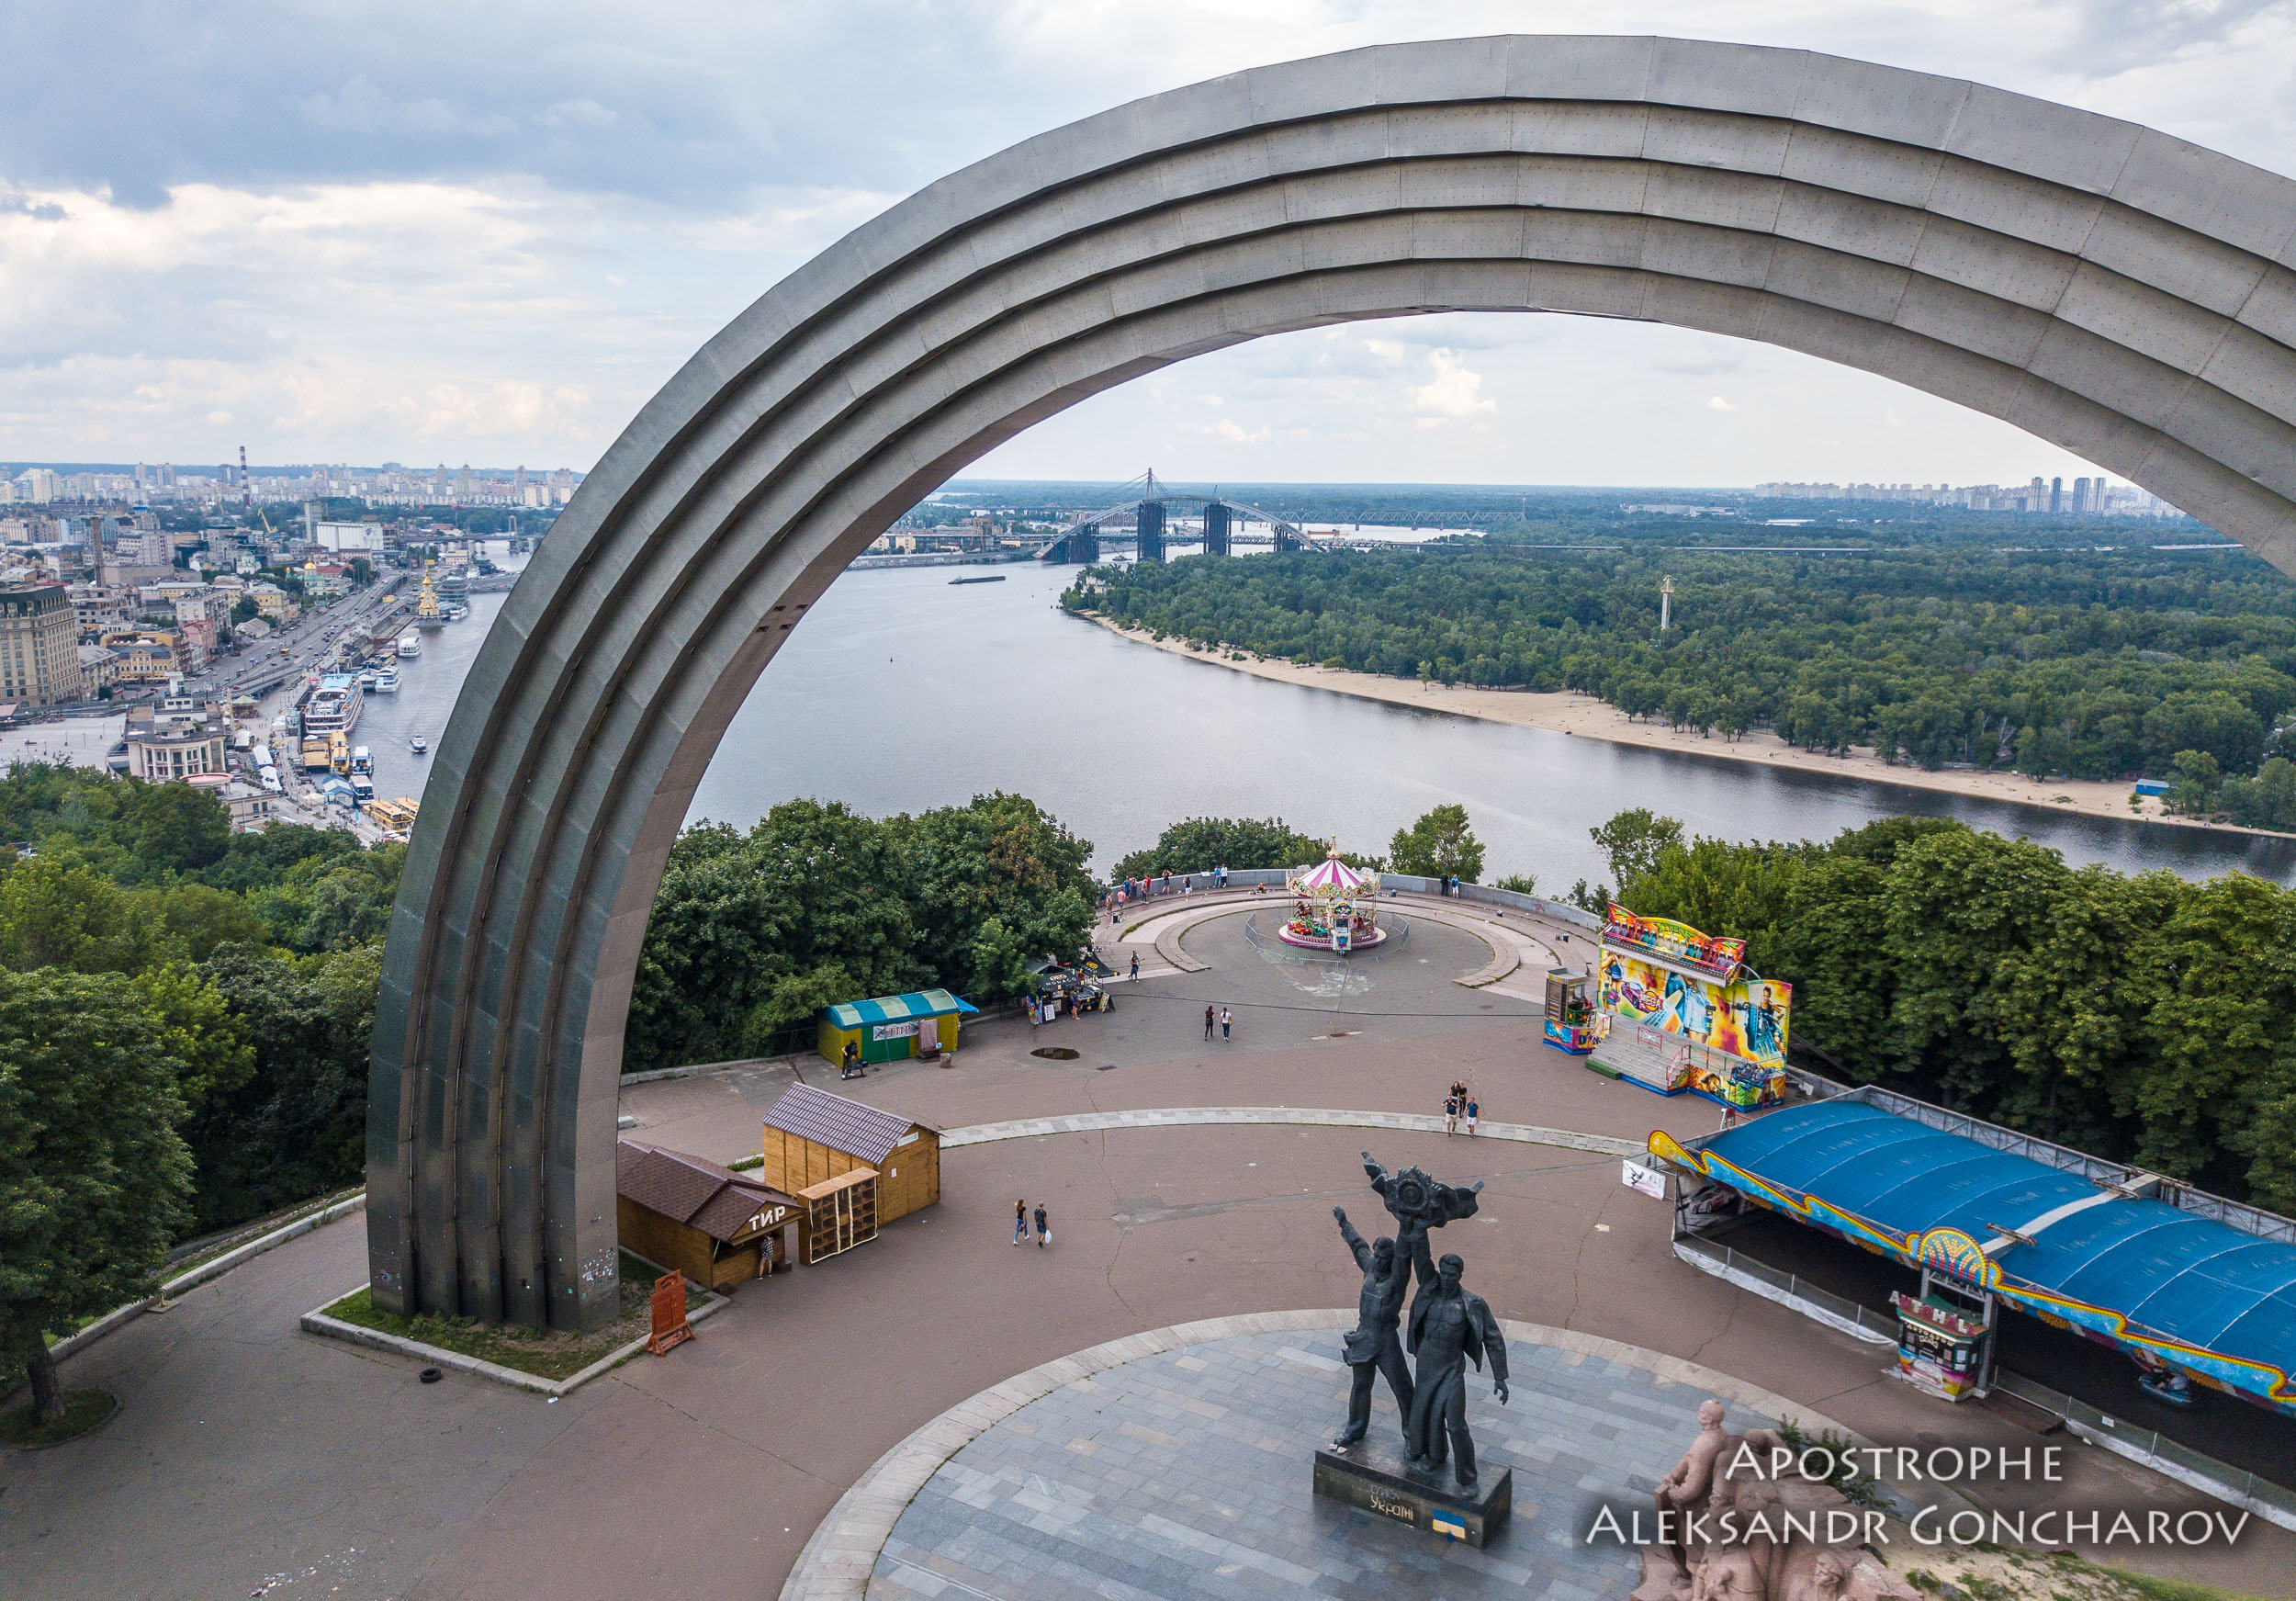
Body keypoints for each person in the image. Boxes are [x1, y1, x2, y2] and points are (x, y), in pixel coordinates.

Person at [1331, 1205, 1414, 1448]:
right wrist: (1345, 1223)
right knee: (1360, 1386)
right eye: (1376, 1255)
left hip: (1386, 1340)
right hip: (1365, 1335)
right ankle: (1355, 1428)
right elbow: (1358, 1246)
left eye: (1384, 1258)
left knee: (1403, 1388)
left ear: (1392, 1260)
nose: (1378, 1260)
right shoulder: (1369, 1267)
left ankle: (1412, 1437)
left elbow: (1403, 1254)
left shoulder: (1397, 1279)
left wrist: (1405, 1223)